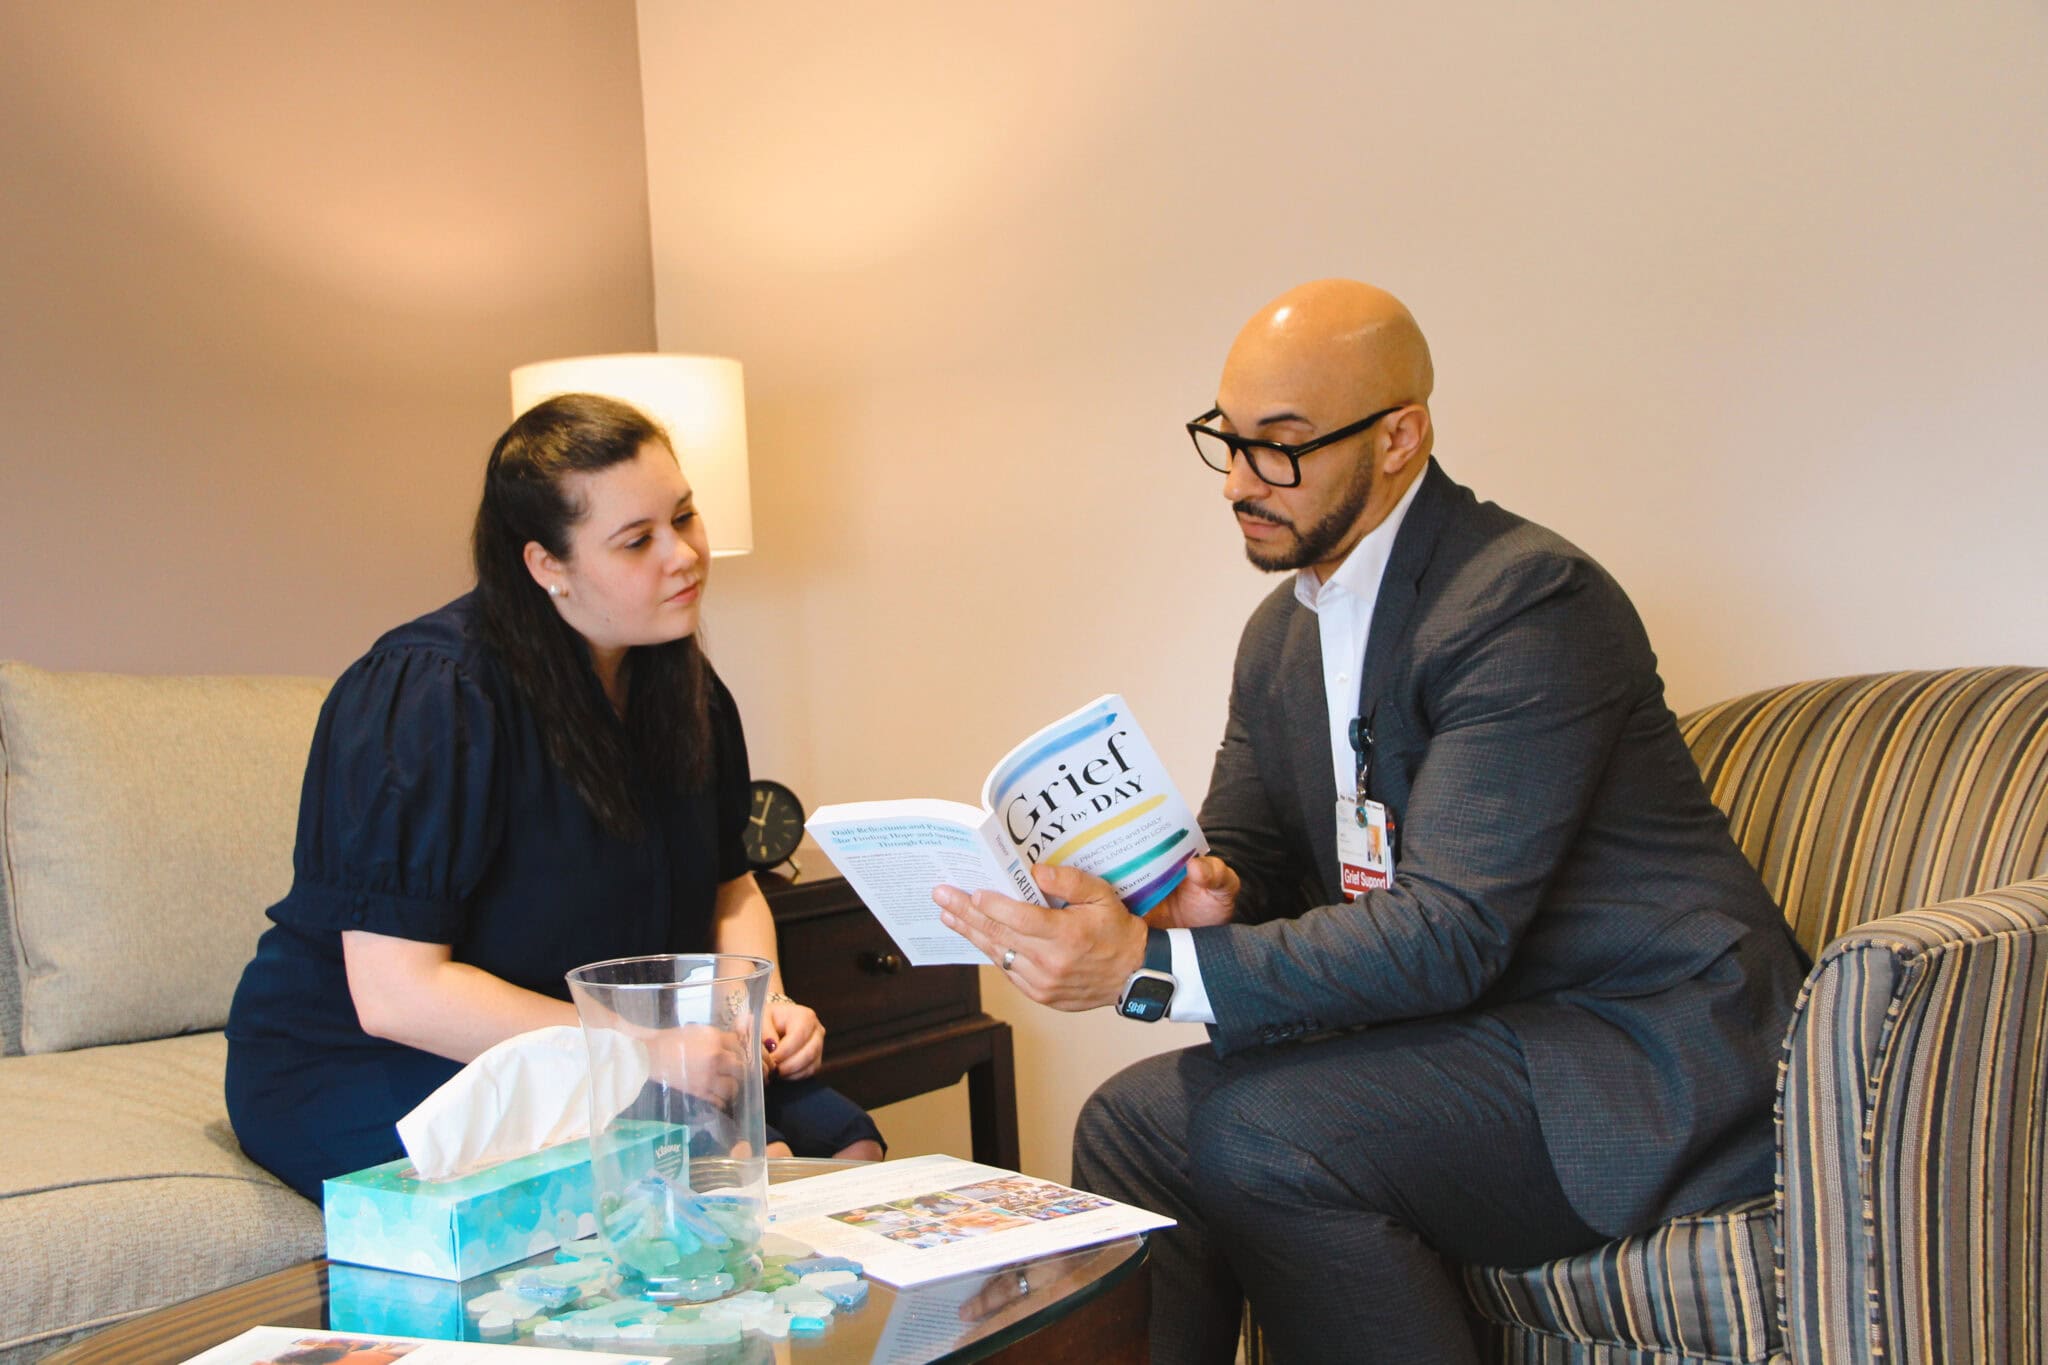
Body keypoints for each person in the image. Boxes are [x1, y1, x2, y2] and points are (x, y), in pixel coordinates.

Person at [932, 280, 1807, 1362]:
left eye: (1282, 447)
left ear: (1398, 437)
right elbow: (1247, 851)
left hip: (1633, 1048)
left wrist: (1144, 970)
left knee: (1266, 1137)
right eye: (1228, 440)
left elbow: (1449, 931)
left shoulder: (1527, 602)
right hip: (1473, 1034)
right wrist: (1188, 895)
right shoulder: (1282, 634)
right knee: (1131, 1121)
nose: (1241, 484)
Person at [226, 394, 882, 1202]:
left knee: (845, 1143)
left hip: (610, 1039)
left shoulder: (685, 687)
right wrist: (636, 1050)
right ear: (547, 565)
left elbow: (731, 887)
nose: (683, 555)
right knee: (711, 1177)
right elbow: (397, 991)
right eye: (637, 540)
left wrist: (763, 1004)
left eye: (684, 517)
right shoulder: (432, 693)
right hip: (381, 1054)